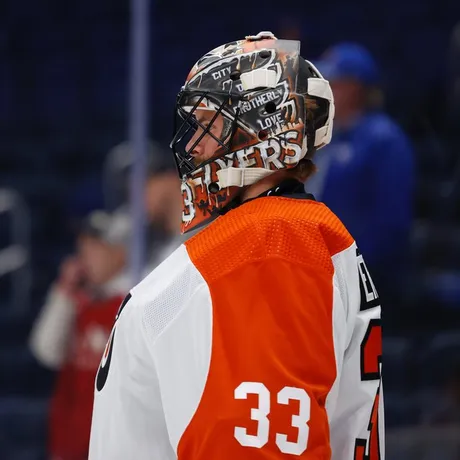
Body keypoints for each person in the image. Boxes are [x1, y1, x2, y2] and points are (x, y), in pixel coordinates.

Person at [90, 32, 384, 459]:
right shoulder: (281, 235)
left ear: (261, 129)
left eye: (210, 124)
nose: (194, 147)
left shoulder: (271, 242)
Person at [308, 43, 414, 309]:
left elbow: (390, 225)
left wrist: (343, 270)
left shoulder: (384, 139)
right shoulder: (325, 140)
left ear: (353, 88)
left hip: (361, 279)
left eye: (330, 82)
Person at [29, 210, 131, 460]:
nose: (84, 258)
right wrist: (63, 292)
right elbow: (46, 351)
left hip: (111, 448)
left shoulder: (132, 302)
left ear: (119, 252)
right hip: (68, 444)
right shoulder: (76, 302)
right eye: (82, 249)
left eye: (94, 249)